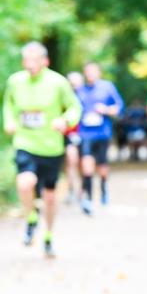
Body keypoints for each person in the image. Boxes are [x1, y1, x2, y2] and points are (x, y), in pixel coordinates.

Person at [2, 42, 81, 258]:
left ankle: (48, 235)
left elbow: (75, 107)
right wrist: (9, 121)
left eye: (34, 60)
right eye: (26, 59)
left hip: (51, 147)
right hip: (25, 142)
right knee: (24, 182)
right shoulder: (15, 81)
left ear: (45, 61)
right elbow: (8, 105)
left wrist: (65, 121)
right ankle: (30, 218)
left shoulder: (58, 82)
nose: (30, 64)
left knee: (49, 197)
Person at [74, 61, 123, 214]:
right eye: (87, 71)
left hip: (103, 133)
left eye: (93, 71)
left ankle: (103, 187)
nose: (90, 74)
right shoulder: (79, 90)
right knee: (86, 165)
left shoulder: (107, 87)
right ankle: (88, 198)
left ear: (99, 72)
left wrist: (106, 110)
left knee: (102, 166)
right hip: (85, 133)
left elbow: (119, 107)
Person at [63, 71, 84, 205]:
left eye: (77, 83)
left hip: (86, 135)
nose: (74, 86)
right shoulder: (63, 97)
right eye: (72, 83)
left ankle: (82, 192)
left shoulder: (86, 96)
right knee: (71, 162)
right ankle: (71, 190)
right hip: (69, 134)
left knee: (83, 164)